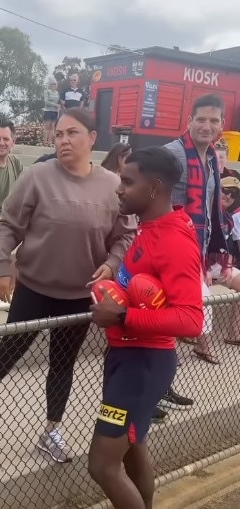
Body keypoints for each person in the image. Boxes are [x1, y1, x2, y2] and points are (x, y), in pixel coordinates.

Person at [0, 108, 136, 464]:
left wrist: (110, 264)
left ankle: (51, 431)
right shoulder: (37, 177)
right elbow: (9, 226)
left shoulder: (111, 184)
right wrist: (1, 268)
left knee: (63, 363)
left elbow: (124, 236)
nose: (63, 140)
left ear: (92, 138)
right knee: (10, 351)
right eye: (58, 134)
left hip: (78, 294)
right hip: (33, 287)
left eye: (72, 133)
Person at [89, 146, 203, 509]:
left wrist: (122, 317)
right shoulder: (151, 228)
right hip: (127, 358)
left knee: (102, 466)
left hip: (142, 365)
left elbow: (191, 320)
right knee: (132, 450)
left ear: (153, 188)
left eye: (127, 181)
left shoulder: (173, 240)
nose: (119, 189)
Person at [158, 93, 228, 414]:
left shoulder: (212, 159)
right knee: (160, 325)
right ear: (189, 121)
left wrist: (205, 254)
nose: (206, 125)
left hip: (193, 253)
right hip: (166, 253)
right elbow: (152, 200)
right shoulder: (172, 154)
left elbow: (211, 214)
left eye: (213, 120)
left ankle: (161, 385)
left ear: (221, 126)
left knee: (170, 326)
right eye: (201, 119)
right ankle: (151, 390)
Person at [210, 176, 240, 344]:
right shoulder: (205, 212)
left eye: (233, 194)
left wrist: (227, 266)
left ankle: (234, 334)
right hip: (198, 265)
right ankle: (201, 343)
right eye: (225, 190)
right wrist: (204, 270)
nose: (228, 196)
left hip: (217, 265)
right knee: (201, 291)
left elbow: (226, 249)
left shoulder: (228, 219)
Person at [43, 77, 60, 146]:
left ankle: (50, 142)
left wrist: (58, 106)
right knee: (47, 126)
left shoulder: (57, 93)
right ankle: (45, 141)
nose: (54, 85)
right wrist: (55, 105)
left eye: (55, 84)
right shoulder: (46, 92)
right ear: (49, 85)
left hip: (55, 111)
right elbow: (46, 102)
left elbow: (58, 101)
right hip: (48, 110)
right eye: (52, 84)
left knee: (52, 127)